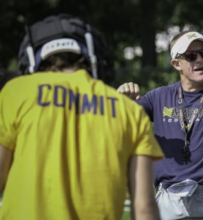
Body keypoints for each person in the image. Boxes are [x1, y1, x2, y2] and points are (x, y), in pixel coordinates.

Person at [0, 14, 163, 220]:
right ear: (94, 58)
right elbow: (144, 207)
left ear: (33, 59)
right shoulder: (129, 110)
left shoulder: (16, 92)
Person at [117, 30, 203, 219]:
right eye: (191, 56)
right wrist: (118, 100)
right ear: (177, 64)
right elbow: (117, 124)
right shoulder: (159, 96)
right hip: (168, 200)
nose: (200, 59)